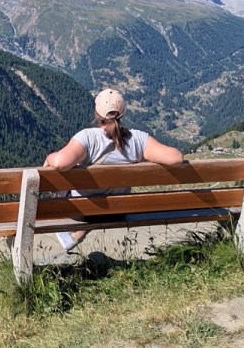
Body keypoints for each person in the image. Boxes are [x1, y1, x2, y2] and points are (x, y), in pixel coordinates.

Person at [43, 88, 183, 251]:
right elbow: (176, 158)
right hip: (119, 210)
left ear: (97, 113)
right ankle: (77, 234)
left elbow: (60, 163)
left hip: (83, 210)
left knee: (66, 180)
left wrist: (49, 158)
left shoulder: (88, 138)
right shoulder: (138, 139)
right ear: (122, 113)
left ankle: (77, 233)